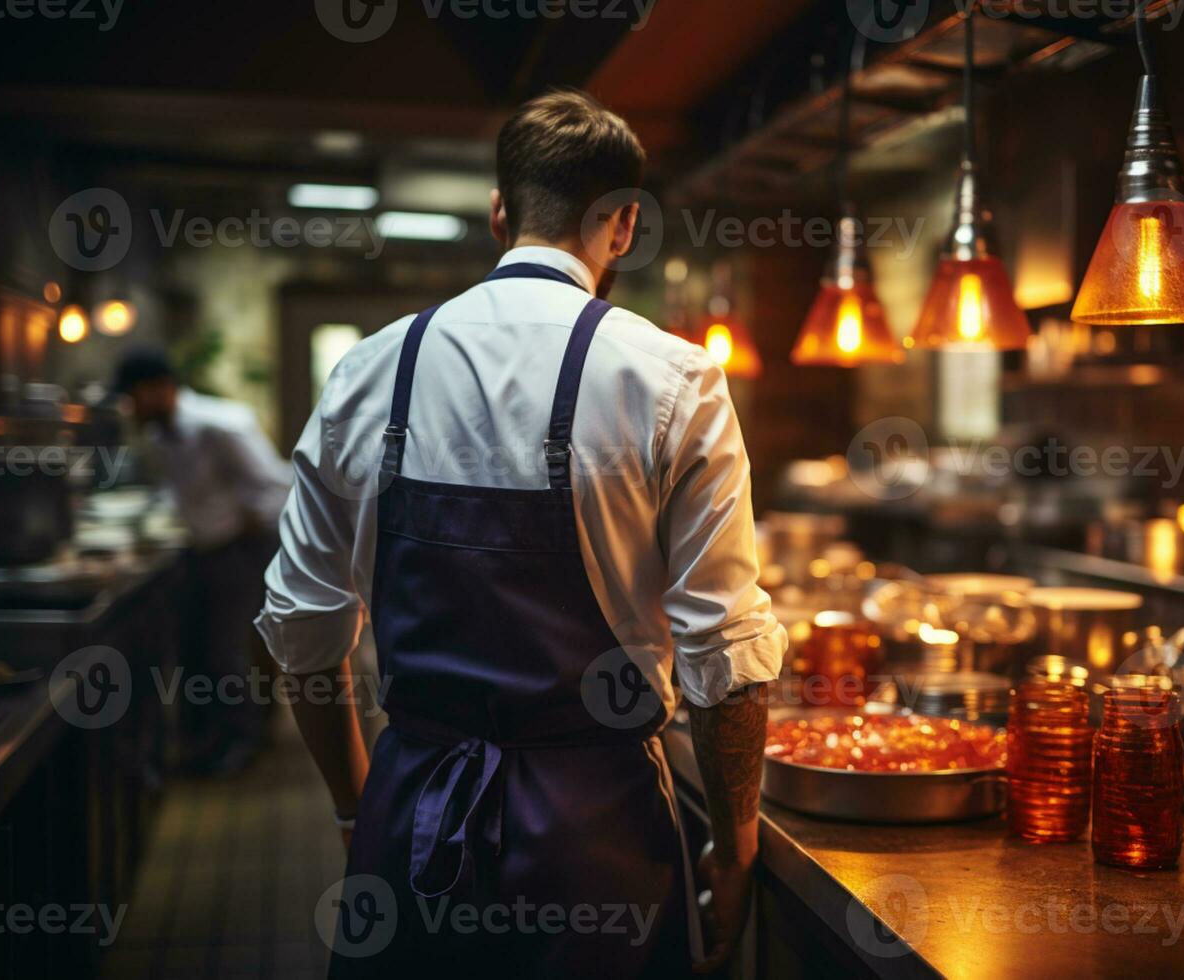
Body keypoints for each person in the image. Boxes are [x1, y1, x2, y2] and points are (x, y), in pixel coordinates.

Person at [255, 89, 786, 977]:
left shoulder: (367, 368)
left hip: (411, 813)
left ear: (500, 212)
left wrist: (361, 808)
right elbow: (724, 659)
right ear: (621, 226)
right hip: (599, 836)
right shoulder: (675, 379)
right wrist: (733, 853)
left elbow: (304, 632)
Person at [115, 349, 291, 773]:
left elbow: (274, 488)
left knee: (226, 650)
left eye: (134, 396)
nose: (129, 407)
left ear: (160, 389)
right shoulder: (161, 434)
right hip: (203, 551)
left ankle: (243, 740)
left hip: (242, 548)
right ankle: (213, 738)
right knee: (198, 649)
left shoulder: (220, 424)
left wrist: (241, 529)